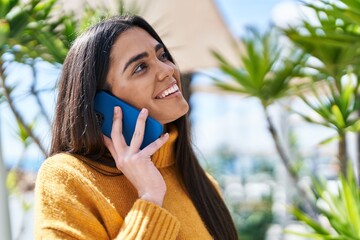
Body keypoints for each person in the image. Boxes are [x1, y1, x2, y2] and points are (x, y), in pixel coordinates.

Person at [34, 15, 238, 240]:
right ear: (102, 102)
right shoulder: (68, 177)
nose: (166, 70)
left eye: (162, 56)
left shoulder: (203, 183)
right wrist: (150, 198)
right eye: (140, 67)